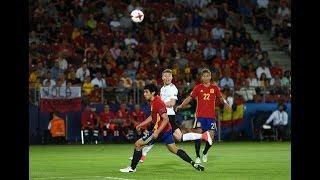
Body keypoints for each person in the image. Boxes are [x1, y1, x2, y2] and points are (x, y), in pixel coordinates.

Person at [120, 84, 205, 173]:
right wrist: (141, 124)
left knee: (138, 144)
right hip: (167, 130)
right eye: (144, 92)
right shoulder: (153, 101)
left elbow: (166, 118)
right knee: (174, 149)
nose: (144, 94)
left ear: (152, 93)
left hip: (160, 130)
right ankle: (193, 163)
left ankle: (132, 168)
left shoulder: (157, 102)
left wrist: (157, 132)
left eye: (146, 92)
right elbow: (152, 116)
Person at [139, 69, 212, 163]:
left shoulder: (173, 88)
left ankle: (143, 153)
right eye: (165, 76)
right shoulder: (162, 89)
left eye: (169, 76)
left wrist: (159, 106)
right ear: (162, 78)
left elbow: (172, 103)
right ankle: (203, 135)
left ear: (172, 77)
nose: (167, 77)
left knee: (160, 134)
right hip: (163, 115)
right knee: (175, 136)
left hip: (168, 116)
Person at [176, 68, 232, 164]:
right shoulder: (198, 88)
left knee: (211, 139)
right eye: (204, 76)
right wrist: (181, 105)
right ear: (201, 78)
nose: (206, 77)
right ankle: (197, 156)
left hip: (211, 117)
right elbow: (190, 98)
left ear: (210, 77)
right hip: (200, 116)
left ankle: (205, 152)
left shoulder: (214, 88)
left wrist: (226, 104)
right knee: (198, 136)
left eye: (207, 76)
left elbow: (221, 98)